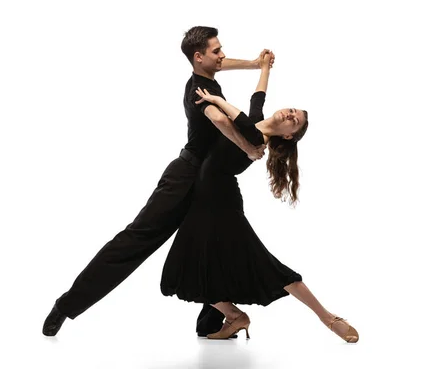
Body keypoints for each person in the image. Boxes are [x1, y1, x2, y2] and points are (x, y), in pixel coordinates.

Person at [43, 26, 275, 337]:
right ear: (198, 57)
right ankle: (66, 306)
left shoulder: (207, 77)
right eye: (216, 51)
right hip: (185, 179)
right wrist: (247, 147)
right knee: (135, 240)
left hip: (214, 182)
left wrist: (255, 64)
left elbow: (224, 70)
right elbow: (219, 119)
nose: (222, 55)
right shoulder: (199, 90)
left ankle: (214, 319)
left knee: (219, 243)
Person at [160, 53, 359, 343]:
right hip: (203, 199)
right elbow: (258, 96)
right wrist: (264, 67)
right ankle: (235, 316)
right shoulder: (255, 122)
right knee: (185, 268)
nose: (289, 115)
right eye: (291, 110)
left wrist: (216, 101)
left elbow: (241, 120)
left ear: (289, 136)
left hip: (221, 203)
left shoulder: (256, 140)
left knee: (263, 264)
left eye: (295, 121)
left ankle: (328, 318)